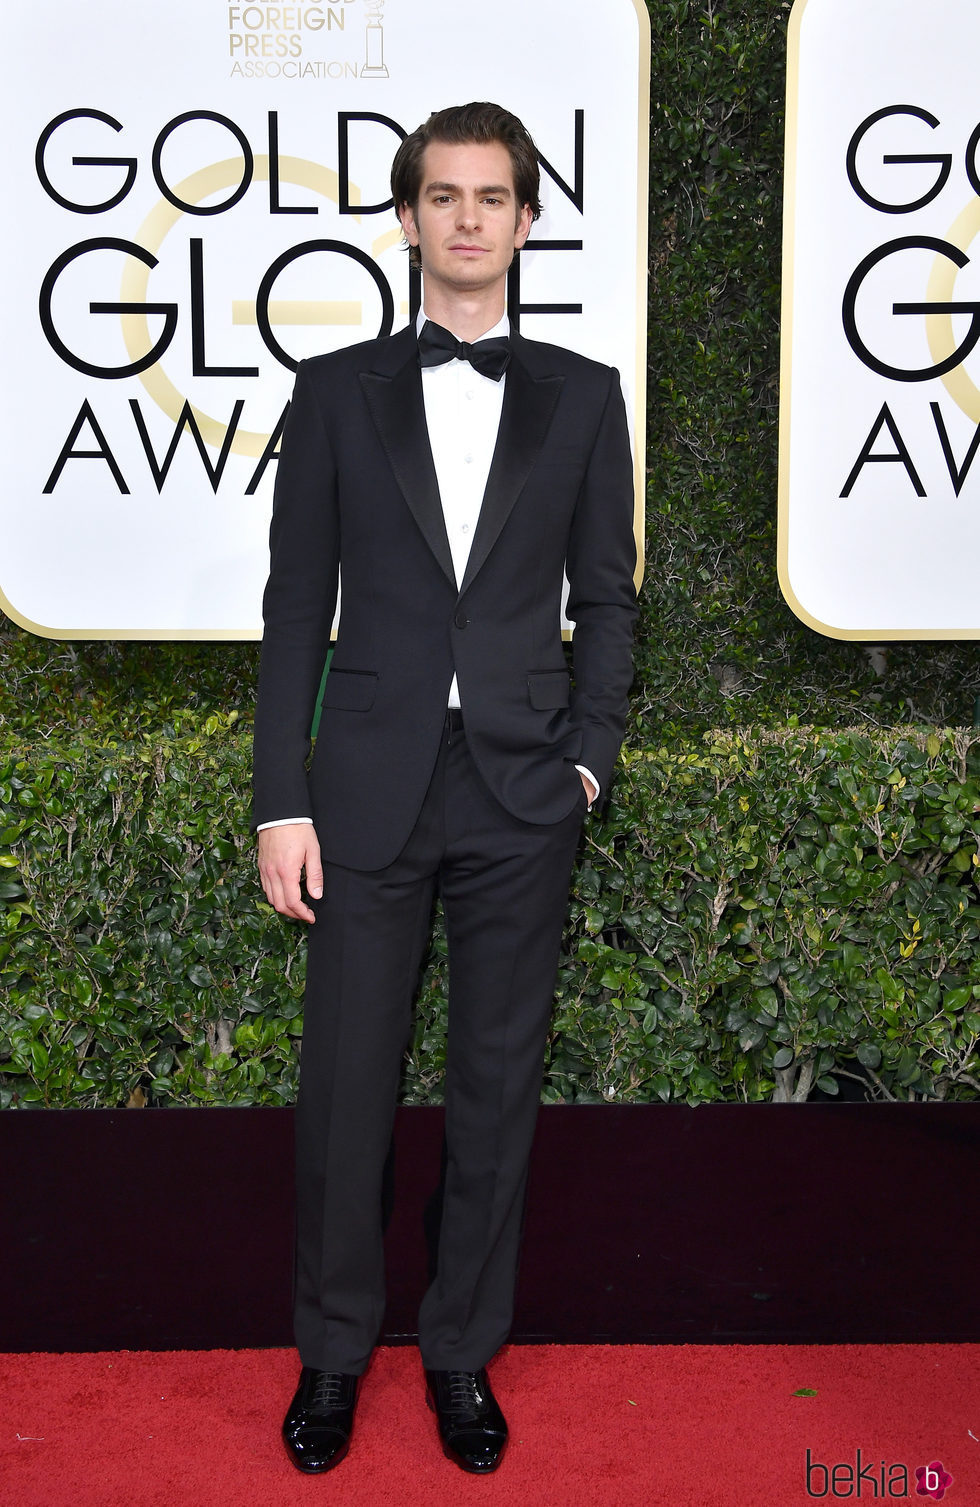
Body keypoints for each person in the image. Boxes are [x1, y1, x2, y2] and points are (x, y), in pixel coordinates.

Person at [253, 100, 638, 1475]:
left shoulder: (586, 397)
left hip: (525, 792)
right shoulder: (336, 392)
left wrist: (591, 755)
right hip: (363, 792)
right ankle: (334, 1356)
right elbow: (296, 608)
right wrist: (277, 801)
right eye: (445, 195)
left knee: (494, 1090)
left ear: (526, 223)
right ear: (408, 219)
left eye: (494, 197)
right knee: (345, 1091)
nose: (469, 218)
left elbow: (611, 597)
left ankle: (464, 1352)